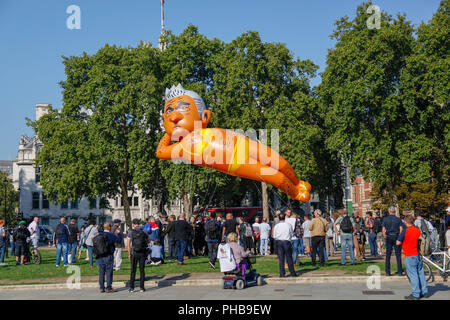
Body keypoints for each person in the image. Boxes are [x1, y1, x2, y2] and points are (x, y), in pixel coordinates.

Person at [396, 215, 429, 300]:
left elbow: (398, 242)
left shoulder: (405, 231)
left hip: (410, 254)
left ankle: (415, 294)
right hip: (418, 254)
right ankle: (424, 291)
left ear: (406, 222)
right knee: (420, 273)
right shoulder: (418, 230)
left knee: (413, 274)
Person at [96, 222, 122, 293]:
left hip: (100, 255)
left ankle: (101, 287)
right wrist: (119, 233)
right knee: (109, 271)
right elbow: (119, 240)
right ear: (109, 227)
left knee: (101, 272)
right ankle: (109, 287)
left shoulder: (99, 234)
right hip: (108, 255)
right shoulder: (110, 235)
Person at [128, 218, 149, 292]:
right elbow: (148, 240)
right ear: (139, 223)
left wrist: (129, 253)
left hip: (134, 253)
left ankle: (131, 287)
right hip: (142, 253)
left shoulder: (131, 232)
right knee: (142, 270)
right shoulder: (144, 231)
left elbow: (128, 244)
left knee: (133, 270)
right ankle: (142, 287)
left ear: (133, 224)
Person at [382, 206, 404, 276]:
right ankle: (400, 271)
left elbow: (383, 229)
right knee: (398, 254)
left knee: (388, 255)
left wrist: (385, 236)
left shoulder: (385, 219)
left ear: (389, 211)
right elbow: (401, 229)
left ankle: (387, 271)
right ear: (394, 211)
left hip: (389, 236)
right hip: (396, 236)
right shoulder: (398, 219)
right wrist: (400, 237)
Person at [273, 213, 296, 277]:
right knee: (289, 258)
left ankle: (282, 273)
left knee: (281, 259)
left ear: (279, 218)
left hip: (279, 242)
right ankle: (292, 272)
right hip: (286, 241)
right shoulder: (288, 225)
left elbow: (274, 236)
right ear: (284, 218)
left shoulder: (277, 226)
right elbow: (291, 233)